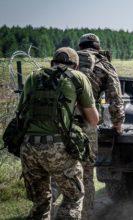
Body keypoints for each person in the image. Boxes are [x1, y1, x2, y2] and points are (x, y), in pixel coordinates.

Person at [19, 47, 99, 219]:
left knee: (40, 202)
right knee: (73, 197)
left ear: (52, 63)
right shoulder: (78, 77)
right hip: (57, 149)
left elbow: (22, 113)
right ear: (76, 66)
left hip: (28, 148)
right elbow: (93, 120)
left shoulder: (32, 77)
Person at [76, 33, 125, 219]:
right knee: (87, 173)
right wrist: (118, 125)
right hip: (86, 123)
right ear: (97, 47)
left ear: (80, 46)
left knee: (59, 172)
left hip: (58, 123)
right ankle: (85, 214)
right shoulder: (103, 64)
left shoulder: (68, 62)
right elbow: (115, 99)